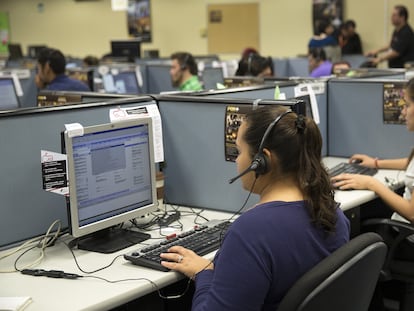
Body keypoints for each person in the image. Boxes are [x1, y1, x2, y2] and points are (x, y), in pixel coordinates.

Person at [160, 106, 350, 310]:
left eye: (239, 151)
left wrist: (204, 273)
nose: (237, 160)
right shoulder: (332, 212)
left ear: (263, 161)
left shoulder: (251, 232)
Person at [331, 77, 414, 311]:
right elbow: (410, 166)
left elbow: (411, 212)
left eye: (407, 104)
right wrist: (376, 162)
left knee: (354, 239)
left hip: (408, 240)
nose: (403, 111)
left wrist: (373, 184)